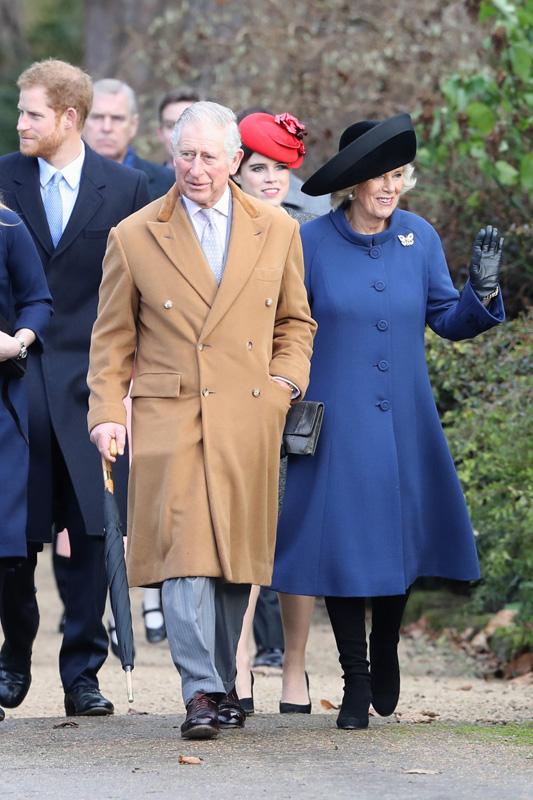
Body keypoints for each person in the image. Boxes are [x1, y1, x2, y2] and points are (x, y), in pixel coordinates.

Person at [87, 101, 316, 740]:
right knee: (186, 554)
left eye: (209, 156)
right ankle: (203, 691)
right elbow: (110, 341)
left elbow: (295, 322)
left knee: (232, 562)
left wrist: (283, 384)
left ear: (235, 161)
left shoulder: (276, 228)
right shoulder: (134, 235)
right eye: (185, 155)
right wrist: (107, 412)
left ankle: (222, 683)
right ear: (172, 156)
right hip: (170, 413)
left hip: (249, 413)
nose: (195, 168)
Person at [270, 113, 505, 730]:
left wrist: (481, 294)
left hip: (405, 420)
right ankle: (354, 679)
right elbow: (287, 325)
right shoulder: (310, 243)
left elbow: (447, 319)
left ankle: (386, 648)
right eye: (377, 176)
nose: (389, 187)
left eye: (398, 175)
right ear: (352, 183)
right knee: (342, 548)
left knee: (398, 541)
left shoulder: (419, 238)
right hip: (336, 423)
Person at [0, 58, 149, 717]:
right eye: (20, 111)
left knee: (91, 532)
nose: (21, 122)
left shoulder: (128, 187)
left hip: (96, 386)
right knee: (12, 534)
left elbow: (146, 290)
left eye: (32, 112)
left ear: (68, 117)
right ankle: (12, 655)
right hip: (14, 383)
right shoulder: (1, 180)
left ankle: (81, 674)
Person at [232, 111, 316, 714]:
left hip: (303, 391)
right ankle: (236, 663)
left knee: (298, 531)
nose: (270, 179)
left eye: (281, 169)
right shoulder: (217, 223)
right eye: (258, 167)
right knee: (242, 528)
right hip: (235, 392)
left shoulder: (315, 227)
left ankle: (294, 666)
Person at [0, 203, 52, 723]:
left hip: (4, 404)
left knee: (9, 561)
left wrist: (18, 341)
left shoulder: (8, 226)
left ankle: (16, 649)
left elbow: (38, 300)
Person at [84, 79, 174, 201]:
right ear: (82, 122)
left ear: (133, 125)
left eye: (117, 118)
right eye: (97, 117)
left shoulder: (168, 182)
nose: (107, 128)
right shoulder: (63, 178)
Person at [157, 87, 201, 168]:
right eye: (170, 126)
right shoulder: (143, 179)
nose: (179, 135)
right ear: (160, 133)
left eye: (188, 124)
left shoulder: (225, 179)